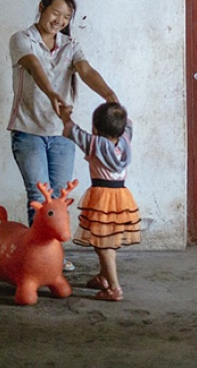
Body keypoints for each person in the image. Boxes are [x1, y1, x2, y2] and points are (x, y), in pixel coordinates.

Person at [7, 0, 118, 271]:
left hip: (63, 135)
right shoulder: (22, 39)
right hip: (28, 131)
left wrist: (109, 95)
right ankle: (39, 260)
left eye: (66, 17)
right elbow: (33, 65)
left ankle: (52, 257)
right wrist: (52, 94)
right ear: (42, 6)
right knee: (38, 195)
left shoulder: (71, 46)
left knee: (57, 198)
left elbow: (86, 70)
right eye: (55, 12)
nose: (59, 20)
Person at [59, 101, 141, 301]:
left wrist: (65, 114)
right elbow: (128, 123)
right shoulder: (126, 141)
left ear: (95, 128)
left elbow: (70, 130)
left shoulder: (93, 143)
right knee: (104, 240)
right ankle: (104, 277)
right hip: (121, 196)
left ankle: (114, 288)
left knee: (105, 245)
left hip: (102, 197)